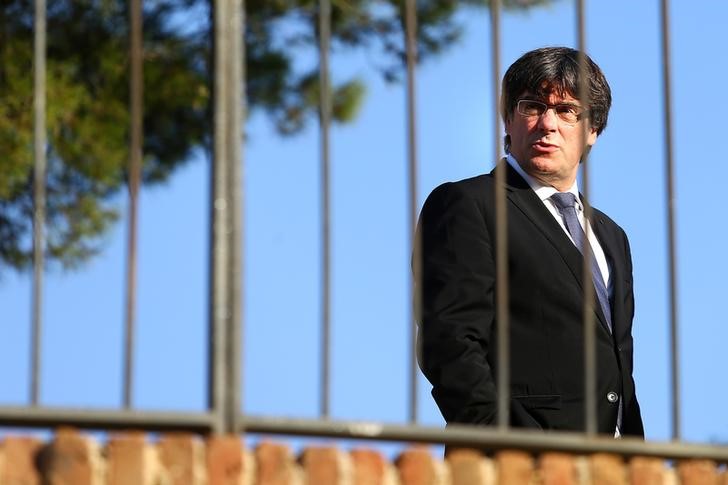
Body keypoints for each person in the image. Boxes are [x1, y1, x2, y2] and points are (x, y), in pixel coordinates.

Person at [415, 46, 644, 436]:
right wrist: (510, 445)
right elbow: (450, 342)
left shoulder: (611, 236)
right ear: (508, 119)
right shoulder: (469, 203)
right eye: (532, 106)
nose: (548, 123)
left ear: (593, 130)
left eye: (568, 110)